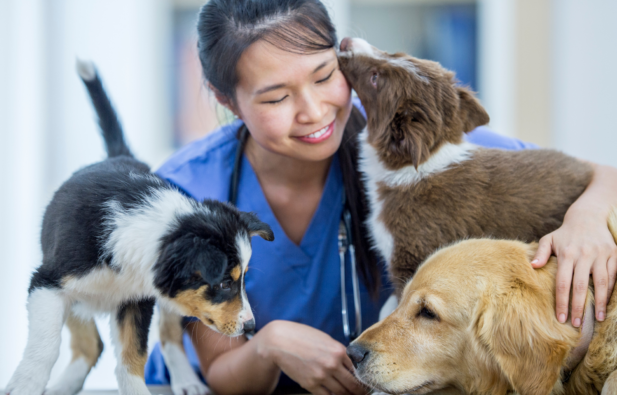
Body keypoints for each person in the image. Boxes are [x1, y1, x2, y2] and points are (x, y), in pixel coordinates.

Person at [145, 0, 617, 394]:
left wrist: (591, 217)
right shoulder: (187, 194)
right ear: (227, 100)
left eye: (324, 75)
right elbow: (221, 377)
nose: (314, 111)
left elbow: (603, 176)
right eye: (275, 98)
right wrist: (270, 344)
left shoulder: (409, 147)